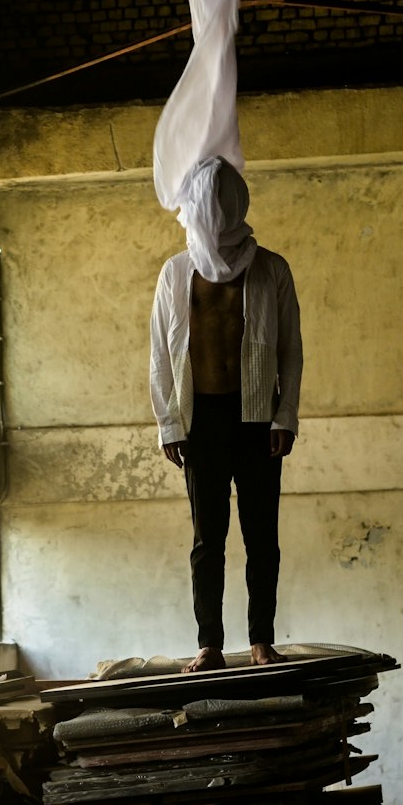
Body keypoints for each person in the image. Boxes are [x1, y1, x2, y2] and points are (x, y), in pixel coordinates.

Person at [150, 154, 302, 673]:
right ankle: (209, 643)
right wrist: (170, 422)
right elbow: (160, 356)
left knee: (262, 536)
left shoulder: (270, 269)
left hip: (257, 417)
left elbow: (291, 352)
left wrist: (285, 416)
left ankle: (261, 640)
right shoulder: (175, 273)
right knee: (206, 539)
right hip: (201, 421)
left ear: (235, 209)